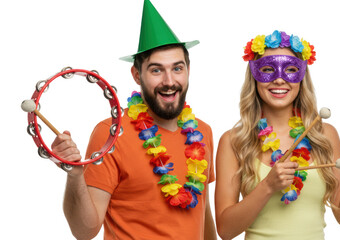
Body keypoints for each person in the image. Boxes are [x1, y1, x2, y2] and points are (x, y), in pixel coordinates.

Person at [50, 0, 216, 239]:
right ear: (137, 75)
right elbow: (84, 231)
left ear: (188, 70)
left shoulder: (202, 132)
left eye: (177, 68)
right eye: (156, 70)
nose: (169, 81)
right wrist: (74, 175)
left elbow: (203, 214)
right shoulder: (111, 132)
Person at [215, 30, 340, 240]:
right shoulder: (234, 140)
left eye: (290, 70)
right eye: (269, 70)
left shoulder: (324, 135)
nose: (279, 80)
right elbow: (225, 230)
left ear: (301, 77)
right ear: (254, 75)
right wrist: (268, 186)